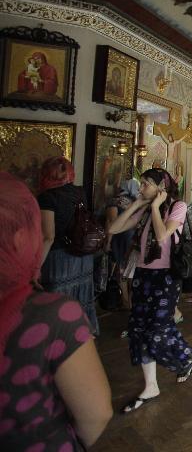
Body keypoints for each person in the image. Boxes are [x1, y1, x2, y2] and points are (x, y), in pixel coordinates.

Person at [0, 172, 113, 450]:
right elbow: (96, 414)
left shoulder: (49, 197)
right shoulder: (49, 317)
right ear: (21, 236)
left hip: (64, 260)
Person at [106, 168, 192, 413]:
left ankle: (185, 356)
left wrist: (156, 207)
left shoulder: (178, 206)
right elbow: (114, 229)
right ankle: (151, 385)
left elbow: (161, 236)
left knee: (159, 327)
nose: (142, 187)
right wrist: (138, 203)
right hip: (144, 274)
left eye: (146, 183)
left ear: (161, 187)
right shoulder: (145, 209)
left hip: (166, 276)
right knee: (138, 328)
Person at [37, 157, 99, 334]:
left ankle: (60, 340)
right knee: (81, 298)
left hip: (59, 257)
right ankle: (83, 335)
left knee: (58, 301)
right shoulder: (79, 192)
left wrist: (35, 267)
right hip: (82, 253)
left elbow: (48, 236)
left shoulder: (47, 198)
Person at [105, 177, 140, 309]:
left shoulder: (115, 201)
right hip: (133, 238)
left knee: (120, 267)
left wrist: (108, 242)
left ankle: (125, 300)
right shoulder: (136, 202)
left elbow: (111, 222)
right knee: (130, 268)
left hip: (121, 237)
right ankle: (132, 298)